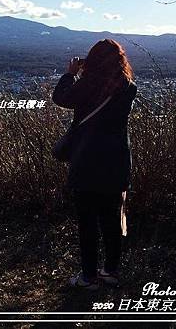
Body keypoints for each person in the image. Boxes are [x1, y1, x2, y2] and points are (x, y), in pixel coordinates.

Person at [52, 39, 137, 291]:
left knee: (87, 224)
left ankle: (88, 277)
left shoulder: (87, 85)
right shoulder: (128, 87)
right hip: (116, 162)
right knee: (111, 222)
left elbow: (61, 98)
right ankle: (111, 272)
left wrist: (70, 74)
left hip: (86, 162)